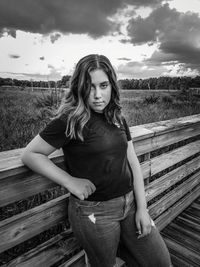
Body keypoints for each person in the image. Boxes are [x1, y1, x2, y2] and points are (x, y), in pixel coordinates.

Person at [21, 54, 172, 267]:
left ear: (112, 85)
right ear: (79, 87)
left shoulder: (117, 117)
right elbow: (30, 154)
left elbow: (133, 163)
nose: (98, 95)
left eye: (103, 85)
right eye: (90, 86)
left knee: (160, 262)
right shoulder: (70, 120)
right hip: (94, 213)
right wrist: (69, 181)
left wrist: (142, 208)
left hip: (130, 205)